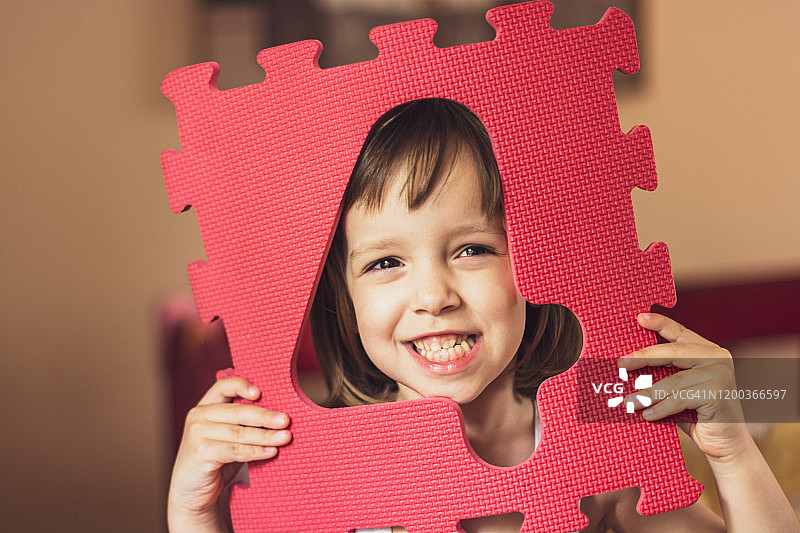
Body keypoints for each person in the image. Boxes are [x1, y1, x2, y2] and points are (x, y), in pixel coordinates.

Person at [167, 99, 799, 532]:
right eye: (386, 262)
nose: (434, 294)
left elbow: (782, 394)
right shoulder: (326, 465)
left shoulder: (598, 423)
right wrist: (193, 514)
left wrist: (735, 451)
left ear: (539, 262)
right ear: (345, 295)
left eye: (473, 249)